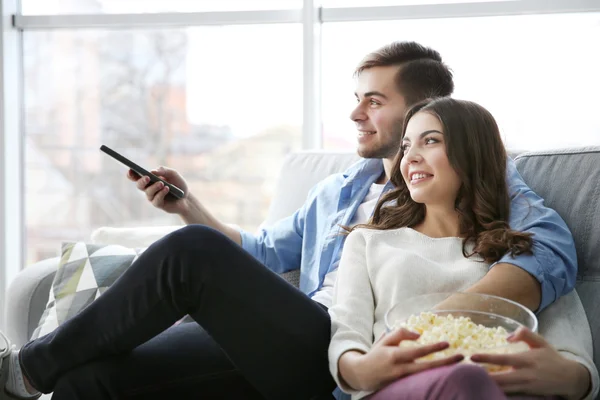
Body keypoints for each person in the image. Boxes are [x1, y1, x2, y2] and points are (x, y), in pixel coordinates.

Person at [0, 42, 577, 400]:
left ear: (424, 107)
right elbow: (256, 254)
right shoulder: (340, 189)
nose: (355, 113)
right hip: (281, 340)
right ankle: (39, 376)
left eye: (374, 100)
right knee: (90, 381)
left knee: (194, 253)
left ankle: (24, 370)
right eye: (356, 98)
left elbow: (546, 252)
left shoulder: (486, 179)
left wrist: (422, 332)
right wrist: (185, 206)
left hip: (341, 344)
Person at [328, 97, 598, 400]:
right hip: (400, 389)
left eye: (430, 141)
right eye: (405, 146)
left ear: (472, 154)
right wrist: (361, 370)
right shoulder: (368, 242)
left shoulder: (521, 254)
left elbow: (574, 361)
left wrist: (568, 378)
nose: (411, 157)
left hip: (500, 390)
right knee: (465, 379)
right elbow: (347, 336)